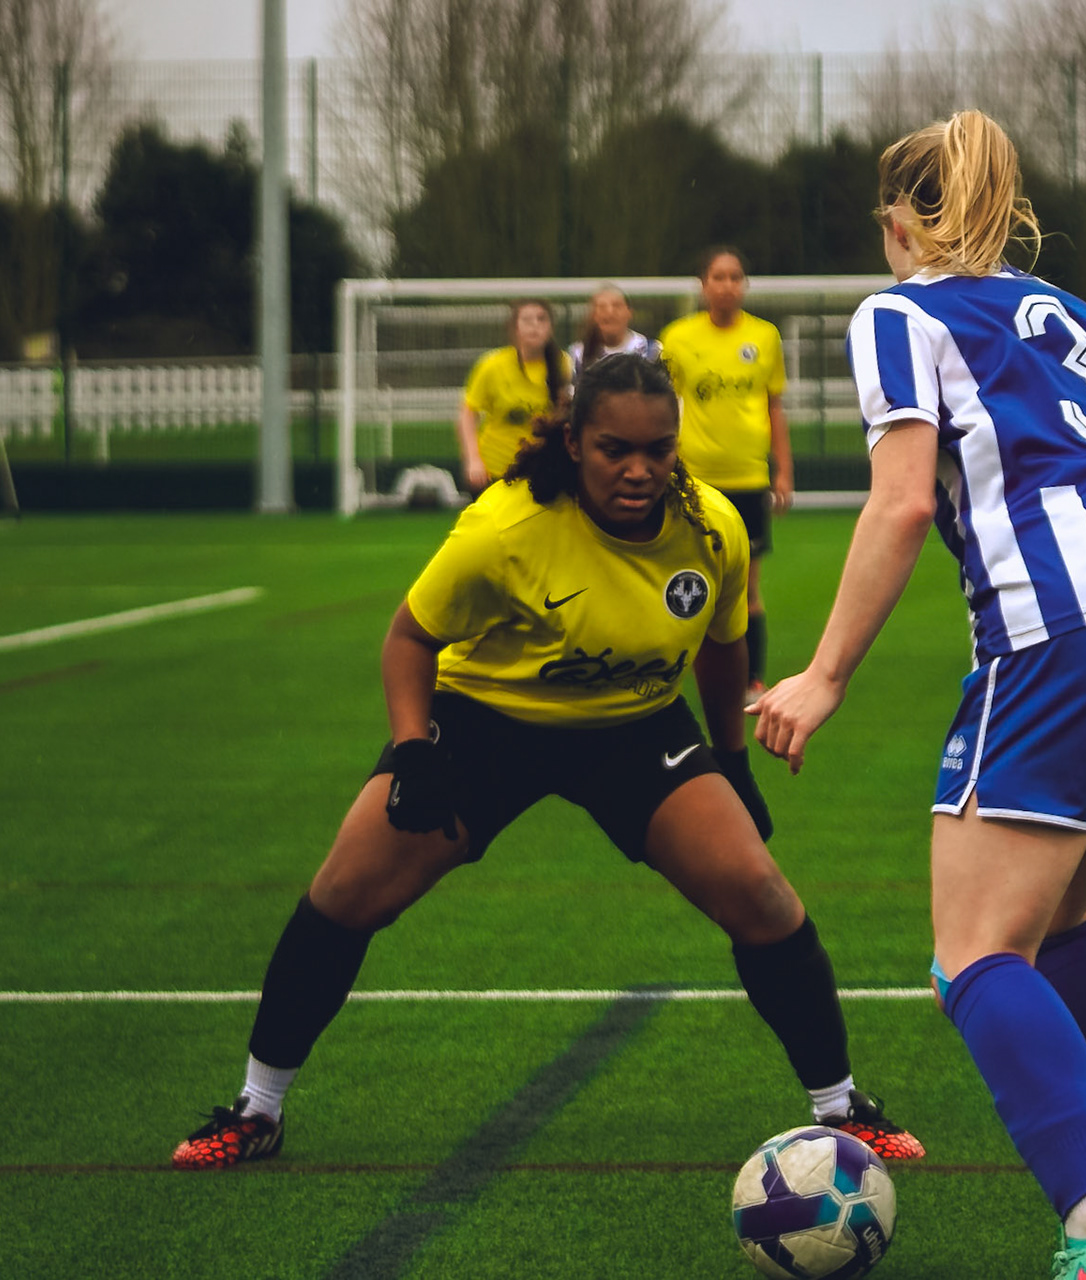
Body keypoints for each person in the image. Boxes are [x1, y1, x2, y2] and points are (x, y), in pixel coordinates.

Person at [173, 354, 922, 1172]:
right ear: (574, 442)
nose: (638, 470)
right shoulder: (504, 525)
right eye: (614, 450)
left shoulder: (712, 526)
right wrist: (415, 750)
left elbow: (721, 646)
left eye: (658, 450)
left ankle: (840, 1108)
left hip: (634, 725)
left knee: (761, 894)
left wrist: (730, 763)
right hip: (486, 722)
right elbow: (409, 639)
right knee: (346, 891)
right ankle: (258, 1109)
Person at [751, 112, 1086, 1280]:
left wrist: (823, 673)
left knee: (972, 954)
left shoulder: (900, 312)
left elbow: (903, 500)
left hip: (1065, 635)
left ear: (900, 222)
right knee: (1062, 920)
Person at [659, 249, 792, 700]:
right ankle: (672, 673)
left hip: (749, 479)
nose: (727, 285)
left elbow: (774, 406)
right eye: (718, 277)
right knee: (686, 583)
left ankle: (752, 680)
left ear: (744, 284)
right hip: (694, 481)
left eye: (736, 277)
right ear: (703, 285)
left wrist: (783, 471)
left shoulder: (765, 336)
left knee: (747, 589)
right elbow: (664, 407)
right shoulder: (677, 338)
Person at [457, 299, 570, 494]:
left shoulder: (564, 365)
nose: (535, 326)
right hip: (497, 470)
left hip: (544, 472)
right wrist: (473, 460)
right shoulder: (492, 365)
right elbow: (467, 414)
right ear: (515, 328)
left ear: (551, 328)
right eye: (527, 320)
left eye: (541, 319)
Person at [568, 283, 659, 381]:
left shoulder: (651, 350)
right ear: (593, 315)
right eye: (602, 307)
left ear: (629, 313)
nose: (610, 313)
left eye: (617, 306)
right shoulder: (578, 354)